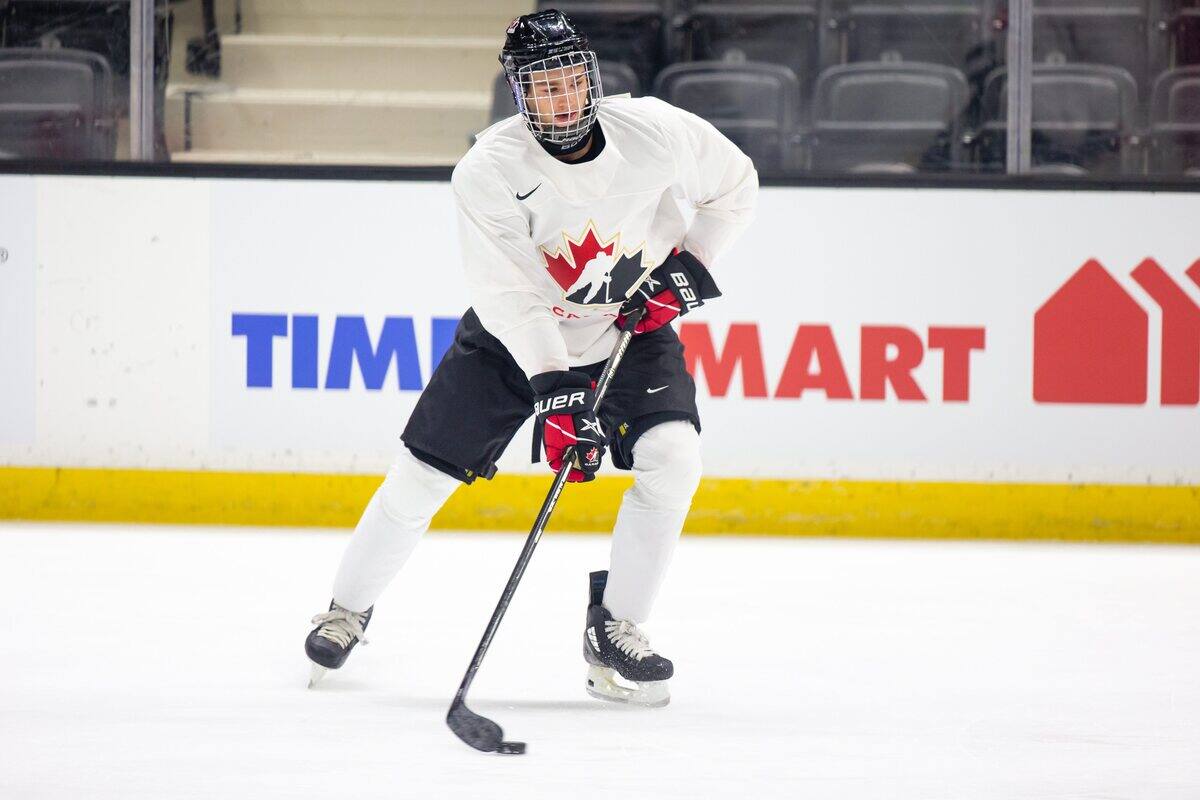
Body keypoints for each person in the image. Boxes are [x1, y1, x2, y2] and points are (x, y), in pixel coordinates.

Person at [304, 9, 758, 706]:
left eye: (570, 81)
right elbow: (510, 295)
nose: (560, 100)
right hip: (513, 339)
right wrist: (557, 390)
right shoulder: (488, 169)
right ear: (519, 95)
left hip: (629, 329)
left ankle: (618, 629)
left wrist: (689, 270)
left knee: (675, 461)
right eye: (542, 88)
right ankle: (345, 610)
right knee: (419, 479)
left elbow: (736, 185)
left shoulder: (657, 131)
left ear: (591, 79)